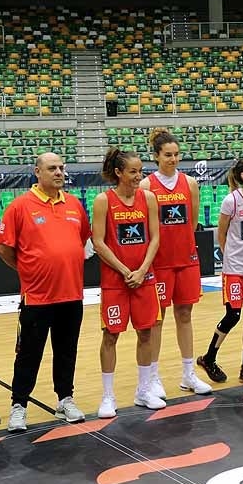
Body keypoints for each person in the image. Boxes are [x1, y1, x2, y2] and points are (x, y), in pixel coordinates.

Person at [0, 152, 91, 433]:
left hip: (72, 294)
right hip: (37, 297)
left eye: (62, 168)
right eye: (52, 168)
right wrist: (27, 269)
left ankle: (65, 399)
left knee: (66, 351)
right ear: (37, 172)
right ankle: (19, 406)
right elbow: (3, 247)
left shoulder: (74, 204)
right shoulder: (20, 207)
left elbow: (83, 238)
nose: (59, 172)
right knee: (29, 353)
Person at [92, 147, 168, 416]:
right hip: (116, 281)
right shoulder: (103, 201)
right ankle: (108, 396)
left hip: (144, 279)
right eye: (133, 172)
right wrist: (126, 271)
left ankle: (144, 389)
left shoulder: (148, 198)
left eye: (140, 171)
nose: (139, 176)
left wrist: (142, 269)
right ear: (118, 173)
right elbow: (98, 242)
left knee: (146, 332)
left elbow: (155, 238)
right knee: (110, 335)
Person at [141, 128, 211, 400]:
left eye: (176, 154)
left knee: (185, 315)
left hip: (186, 260)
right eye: (167, 155)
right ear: (156, 156)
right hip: (160, 263)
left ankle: (188, 374)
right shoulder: (147, 186)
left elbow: (192, 222)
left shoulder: (189, 183)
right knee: (157, 320)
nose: (172, 159)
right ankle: (155, 376)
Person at [196, 158, 243, 388]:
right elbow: (222, 234)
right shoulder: (232, 200)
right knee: (233, 315)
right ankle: (209, 358)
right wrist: (232, 256)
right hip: (236, 268)